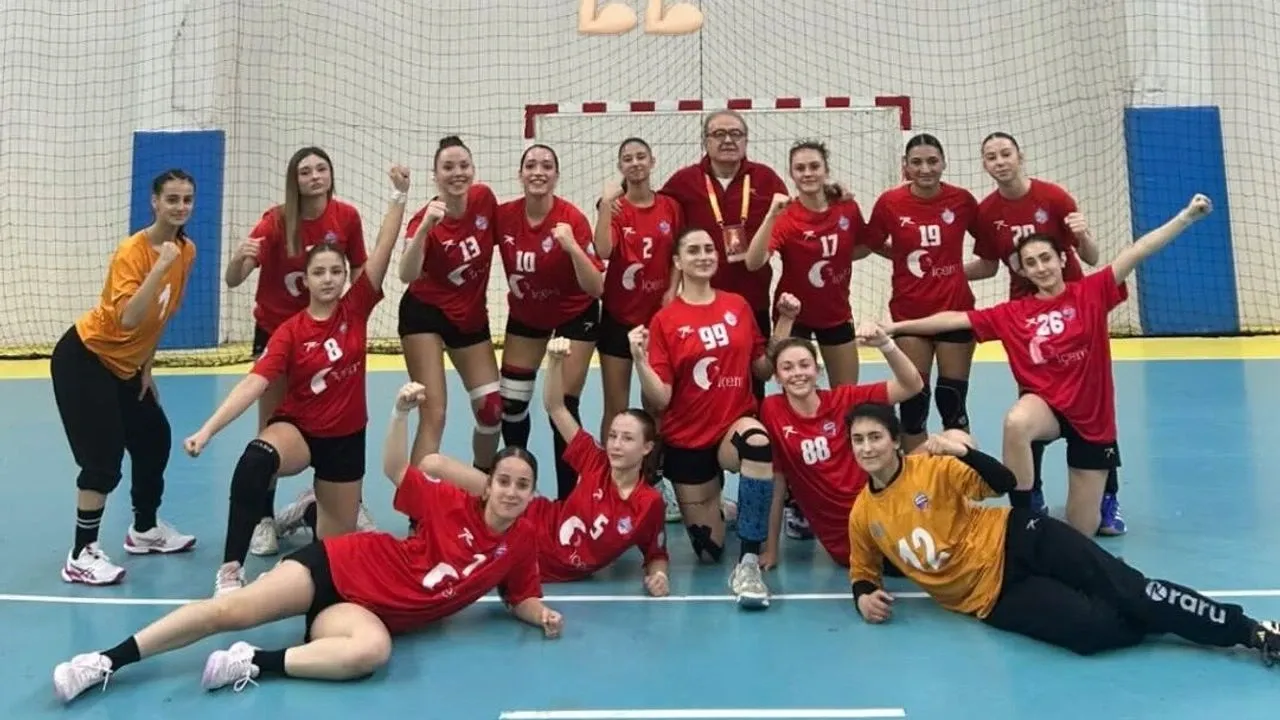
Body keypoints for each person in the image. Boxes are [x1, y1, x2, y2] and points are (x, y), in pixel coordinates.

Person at [52, 382, 562, 705]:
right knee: (229, 611)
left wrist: (540, 614)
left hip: (367, 613)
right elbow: (394, 469)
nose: (511, 492)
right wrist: (400, 414)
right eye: (504, 481)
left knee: (371, 654)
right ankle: (105, 661)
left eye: (523, 485)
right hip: (343, 565)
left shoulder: (521, 542)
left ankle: (254, 661)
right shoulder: (450, 503)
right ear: (487, 484)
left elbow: (521, 596)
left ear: (531, 493)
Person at [844, 402, 1280, 665]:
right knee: (1091, 633)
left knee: (1134, 593)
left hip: (1018, 536)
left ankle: (1251, 631)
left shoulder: (930, 469)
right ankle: (1147, 606)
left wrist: (962, 451)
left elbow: (1003, 483)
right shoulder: (864, 513)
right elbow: (863, 570)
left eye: (875, 437)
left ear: (895, 441)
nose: (867, 447)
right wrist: (864, 596)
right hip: (991, 597)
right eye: (858, 440)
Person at [884, 194, 1213, 536]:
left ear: (1061, 259)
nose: (1040, 268)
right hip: (1047, 408)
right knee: (1017, 422)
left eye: (1046, 258)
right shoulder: (1014, 313)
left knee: (1082, 529)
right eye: (1031, 263)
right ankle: (1023, 518)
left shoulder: (1091, 292)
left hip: (1092, 417)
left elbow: (1138, 251)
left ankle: (1094, 505)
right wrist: (896, 327)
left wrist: (1187, 215)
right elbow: (954, 319)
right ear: (1023, 271)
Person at [183, 166, 405, 595]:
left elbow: (383, 247)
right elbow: (255, 383)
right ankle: (230, 570)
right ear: (306, 279)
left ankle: (308, 512)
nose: (328, 279)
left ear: (345, 276)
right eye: (319, 272)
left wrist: (399, 196)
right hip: (300, 431)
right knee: (255, 460)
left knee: (334, 555)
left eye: (336, 271)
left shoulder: (357, 307)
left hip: (346, 440)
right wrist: (207, 431)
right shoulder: (290, 331)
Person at [630, 227, 796, 608]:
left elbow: (762, 369)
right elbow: (661, 397)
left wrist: (785, 322)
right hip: (687, 439)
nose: (703, 255)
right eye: (693, 250)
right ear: (678, 261)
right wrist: (640, 360)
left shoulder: (737, 306)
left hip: (732, 427)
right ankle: (723, 507)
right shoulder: (665, 320)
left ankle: (748, 564)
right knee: (709, 551)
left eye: (709, 249)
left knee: (758, 443)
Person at [424, 336, 670, 593]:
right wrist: (554, 361)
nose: (616, 445)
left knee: (458, 550)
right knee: (433, 465)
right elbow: (556, 407)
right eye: (613, 436)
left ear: (647, 447)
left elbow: (656, 553)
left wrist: (659, 576)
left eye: (627, 438)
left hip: (523, 552)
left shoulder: (648, 503)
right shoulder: (595, 460)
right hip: (527, 514)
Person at [966, 131, 1122, 534]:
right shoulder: (987, 213)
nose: (1000, 162)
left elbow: (1091, 257)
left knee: (1095, 403)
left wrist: (1083, 234)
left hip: (1074, 312)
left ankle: (1108, 497)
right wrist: (941, 273)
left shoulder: (1053, 197)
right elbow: (988, 266)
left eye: (1006, 154)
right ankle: (1030, 494)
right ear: (984, 165)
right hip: (1028, 319)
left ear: (1020, 156)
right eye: (991, 157)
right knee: (1030, 406)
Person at [223, 146, 375, 556]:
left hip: (328, 332)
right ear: (294, 179)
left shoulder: (346, 217)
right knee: (271, 426)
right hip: (278, 332)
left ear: (331, 174)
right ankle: (263, 518)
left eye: (321, 169)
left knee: (342, 418)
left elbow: (361, 271)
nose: (314, 176)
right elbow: (234, 279)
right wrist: (238, 259)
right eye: (305, 171)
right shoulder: (276, 221)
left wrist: (355, 316)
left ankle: (344, 501)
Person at [52, 169, 199, 586]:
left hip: (127, 368)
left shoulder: (186, 250)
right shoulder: (132, 252)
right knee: (102, 460)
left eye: (187, 199)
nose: (180, 207)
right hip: (86, 359)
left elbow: (162, 315)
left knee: (154, 438)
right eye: (172, 199)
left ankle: (144, 530)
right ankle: (80, 554)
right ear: (155, 202)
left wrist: (146, 368)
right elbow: (130, 317)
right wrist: (160, 265)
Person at [759, 326, 923, 569]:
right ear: (777, 377)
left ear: (817, 370)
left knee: (953, 443)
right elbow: (777, 482)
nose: (797, 373)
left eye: (804, 365)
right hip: (849, 543)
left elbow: (912, 385)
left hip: (885, 513)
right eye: (787, 367)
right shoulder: (772, 410)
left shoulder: (844, 400)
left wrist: (886, 345)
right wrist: (771, 549)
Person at [495, 143, 605, 501]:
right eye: (531, 165)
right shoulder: (504, 216)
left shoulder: (572, 218)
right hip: (527, 314)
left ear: (556, 175)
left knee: (563, 406)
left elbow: (596, 287)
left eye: (546, 165)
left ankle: (569, 500)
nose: (538, 171)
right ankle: (519, 490)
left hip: (575, 314)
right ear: (520, 174)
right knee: (511, 405)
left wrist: (572, 247)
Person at [864, 133, 981, 454]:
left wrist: (953, 270)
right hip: (909, 314)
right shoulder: (890, 203)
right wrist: (902, 257)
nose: (925, 169)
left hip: (955, 311)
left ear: (944, 163)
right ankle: (917, 477)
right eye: (916, 162)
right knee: (914, 405)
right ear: (905, 166)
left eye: (932, 161)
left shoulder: (962, 200)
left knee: (952, 403)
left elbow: (989, 251)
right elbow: (870, 241)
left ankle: (961, 476)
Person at [397, 135, 502, 481]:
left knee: (491, 409)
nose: (457, 173)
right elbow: (406, 274)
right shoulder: (424, 220)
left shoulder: (484, 199)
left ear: (473, 170)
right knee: (434, 413)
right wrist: (425, 229)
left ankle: (483, 483)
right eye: (448, 167)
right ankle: (417, 502)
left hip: (469, 316)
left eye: (463, 166)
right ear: (435, 176)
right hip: (425, 315)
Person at [594, 136, 683, 521]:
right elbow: (602, 251)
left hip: (657, 323)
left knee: (656, 406)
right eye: (627, 158)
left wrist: (673, 289)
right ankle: (608, 485)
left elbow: (678, 252)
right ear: (620, 167)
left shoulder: (670, 207)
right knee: (615, 406)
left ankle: (654, 479)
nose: (634, 163)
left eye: (640, 156)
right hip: (618, 319)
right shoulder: (615, 208)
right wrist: (603, 207)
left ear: (652, 161)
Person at [745, 140, 869, 388]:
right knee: (797, 390)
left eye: (814, 166)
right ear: (791, 174)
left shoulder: (847, 207)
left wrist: (835, 260)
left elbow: (865, 246)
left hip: (836, 312)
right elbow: (753, 263)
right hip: (793, 315)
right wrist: (771, 216)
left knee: (846, 394)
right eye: (800, 168)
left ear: (826, 170)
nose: (808, 173)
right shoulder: (785, 215)